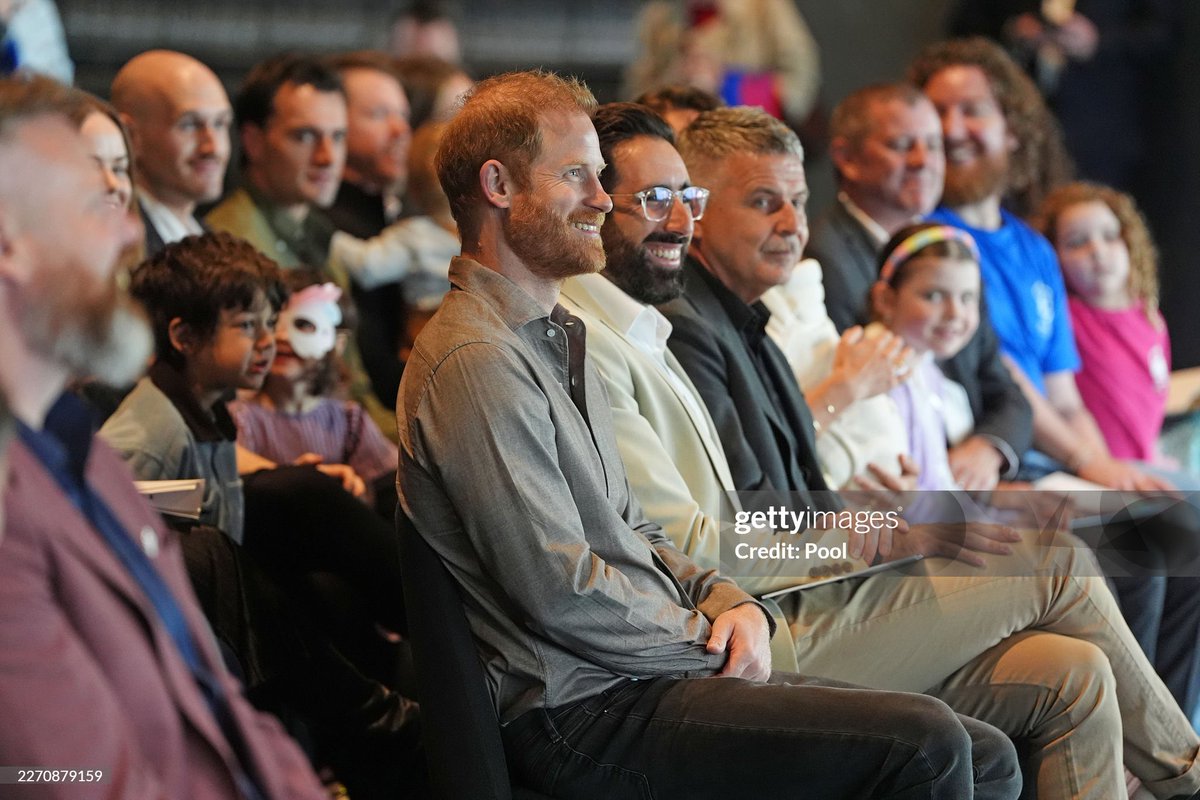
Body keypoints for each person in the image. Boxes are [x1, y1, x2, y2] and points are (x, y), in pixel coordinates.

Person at [397, 68, 1021, 800]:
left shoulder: (560, 334)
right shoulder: (477, 357)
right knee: (935, 743)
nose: (606, 200)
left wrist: (730, 603)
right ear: (498, 185)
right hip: (581, 706)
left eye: (603, 178)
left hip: (647, 666)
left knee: (984, 750)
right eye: (578, 176)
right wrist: (710, 640)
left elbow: (635, 530)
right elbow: (561, 590)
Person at [661, 103, 1200, 800]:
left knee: (1079, 669)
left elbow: (800, 499)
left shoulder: (747, 314)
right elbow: (738, 530)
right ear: (696, 210)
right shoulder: (687, 327)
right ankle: (1187, 775)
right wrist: (884, 528)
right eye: (764, 203)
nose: (794, 225)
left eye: (796, 201)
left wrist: (886, 515)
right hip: (774, 627)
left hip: (825, 587)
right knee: (1061, 558)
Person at [0, 74, 326, 800]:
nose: (126, 232)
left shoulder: (79, 452)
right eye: (93, 205)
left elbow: (217, 705)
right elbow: (72, 780)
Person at [909, 37, 1163, 491]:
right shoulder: (925, 239)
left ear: (1012, 128)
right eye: (937, 113)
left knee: (1168, 517)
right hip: (995, 463)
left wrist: (1106, 474)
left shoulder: (1036, 250)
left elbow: (1065, 399)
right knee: (1167, 532)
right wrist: (1088, 464)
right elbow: (1004, 374)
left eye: (972, 110)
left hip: (1055, 460)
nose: (951, 129)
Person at [807, 82, 1029, 491]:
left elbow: (1004, 389)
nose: (924, 161)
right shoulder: (822, 260)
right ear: (846, 158)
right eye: (901, 145)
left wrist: (988, 449)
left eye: (933, 144)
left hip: (973, 480)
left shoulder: (948, 245)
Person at [229, 272, 399, 512]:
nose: (282, 336)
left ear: (337, 343)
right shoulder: (241, 418)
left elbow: (391, 489)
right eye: (273, 321)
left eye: (304, 324)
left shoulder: (349, 421)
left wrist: (358, 493)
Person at [1033, 181, 1171, 465]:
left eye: (1110, 236)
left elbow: (1147, 407)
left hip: (1145, 466)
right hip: (1101, 472)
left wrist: (1154, 454)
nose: (1097, 251)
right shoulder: (1064, 320)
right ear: (1053, 257)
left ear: (1130, 242)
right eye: (1077, 243)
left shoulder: (1151, 319)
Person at [869, 223, 985, 490]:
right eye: (934, 296)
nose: (955, 313)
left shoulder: (927, 371)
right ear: (885, 299)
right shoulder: (879, 380)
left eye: (968, 297)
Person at [111, 50, 233, 256]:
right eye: (189, 125)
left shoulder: (217, 245)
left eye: (220, 123)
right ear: (130, 136)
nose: (213, 147)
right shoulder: (117, 250)